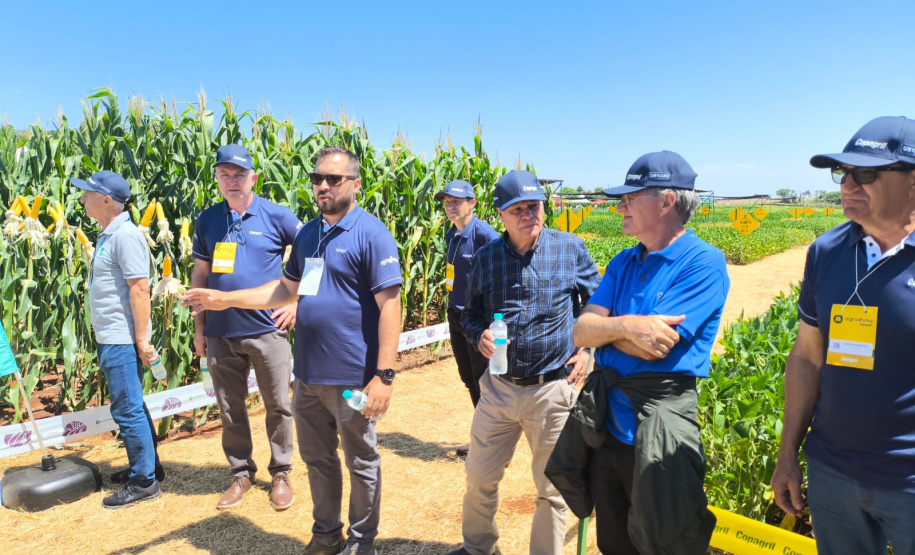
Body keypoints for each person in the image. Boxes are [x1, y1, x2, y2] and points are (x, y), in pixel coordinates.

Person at [182, 145, 401, 555]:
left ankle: (361, 541)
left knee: (361, 461)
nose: (323, 185)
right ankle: (325, 534)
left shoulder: (371, 233)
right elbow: (285, 290)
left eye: (333, 179)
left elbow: (390, 306)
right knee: (318, 460)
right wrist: (224, 300)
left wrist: (384, 375)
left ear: (355, 184)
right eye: (317, 178)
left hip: (352, 375)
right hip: (309, 375)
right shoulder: (308, 234)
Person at [566, 151, 728, 554]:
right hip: (608, 432)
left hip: (660, 429)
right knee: (615, 544)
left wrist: (607, 331)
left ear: (667, 201)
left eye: (629, 197)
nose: (619, 206)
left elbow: (657, 346)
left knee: (668, 541)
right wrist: (629, 326)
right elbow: (581, 330)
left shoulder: (703, 262)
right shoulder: (624, 260)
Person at [771, 116, 915, 555]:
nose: (848, 184)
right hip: (833, 472)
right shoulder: (826, 252)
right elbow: (807, 357)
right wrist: (787, 452)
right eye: (843, 172)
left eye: (866, 173)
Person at [447, 170, 601, 555]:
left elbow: (597, 307)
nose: (528, 215)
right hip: (498, 389)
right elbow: (471, 313)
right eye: (518, 209)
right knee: (479, 477)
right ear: (500, 214)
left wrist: (588, 351)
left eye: (534, 206)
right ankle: (478, 548)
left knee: (552, 489)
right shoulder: (487, 257)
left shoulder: (570, 249)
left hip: (552, 389)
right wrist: (479, 333)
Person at [191, 144, 301, 510]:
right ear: (217, 179)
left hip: (267, 331)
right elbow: (201, 274)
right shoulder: (207, 219)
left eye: (240, 175)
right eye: (225, 175)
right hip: (221, 333)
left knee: (278, 405)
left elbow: (313, 259)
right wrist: (200, 327)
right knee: (229, 408)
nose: (232, 181)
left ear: (254, 177)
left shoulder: (277, 216)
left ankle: (281, 471)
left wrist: (297, 303)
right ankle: (241, 473)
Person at [72, 170, 164, 508]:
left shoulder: (124, 235)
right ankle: (149, 468)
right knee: (133, 403)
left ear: (107, 199)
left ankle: (144, 482)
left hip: (122, 339)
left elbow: (140, 289)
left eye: (88, 194)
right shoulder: (109, 234)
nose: (83, 199)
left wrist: (141, 339)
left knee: (126, 408)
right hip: (115, 336)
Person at [434, 180, 499, 456]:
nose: (450, 207)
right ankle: (483, 438)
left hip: (478, 319)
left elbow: (502, 272)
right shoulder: (452, 234)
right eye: (446, 202)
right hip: (456, 313)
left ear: (472, 203)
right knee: (468, 378)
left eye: (456, 202)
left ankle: (493, 444)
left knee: (484, 381)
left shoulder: (484, 234)